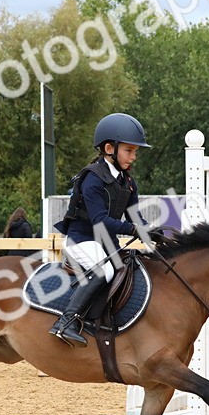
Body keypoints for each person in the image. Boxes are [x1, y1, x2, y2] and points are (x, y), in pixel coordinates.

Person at [49, 112, 150, 347]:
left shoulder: (127, 182)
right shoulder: (92, 178)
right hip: (81, 239)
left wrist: (151, 232)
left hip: (106, 243)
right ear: (108, 148)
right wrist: (134, 230)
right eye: (129, 150)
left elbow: (134, 216)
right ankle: (65, 322)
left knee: (132, 269)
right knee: (105, 271)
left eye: (135, 152)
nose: (133, 157)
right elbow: (99, 221)